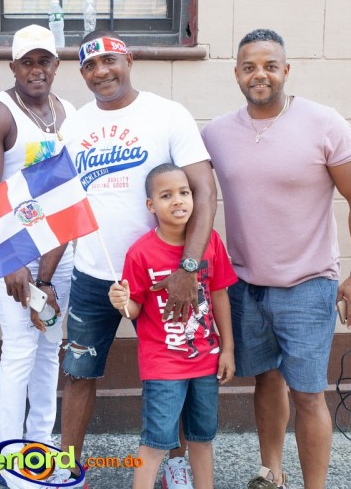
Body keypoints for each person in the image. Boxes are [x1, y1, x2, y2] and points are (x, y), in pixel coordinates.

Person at [201, 29, 351, 489]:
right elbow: (187, 190)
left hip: (308, 284)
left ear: (286, 69)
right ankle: (271, 473)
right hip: (245, 285)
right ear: (236, 73)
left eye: (269, 66)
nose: (259, 75)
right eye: (249, 67)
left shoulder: (323, 123)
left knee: (307, 393)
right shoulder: (216, 133)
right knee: (265, 380)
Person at [59, 30, 218, 487]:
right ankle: (69, 468)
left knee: (179, 370)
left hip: (166, 276)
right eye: (90, 65)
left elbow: (205, 192)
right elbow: (62, 204)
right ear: (82, 74)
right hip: (96, 274)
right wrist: (46, 277)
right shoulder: (74, 126)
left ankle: (176, 464)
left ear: (128, 60)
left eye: (109, 60)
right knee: (79, 372)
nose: (101, 72)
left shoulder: (167, 114)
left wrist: (189, 268)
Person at [0, 24, 75, 489]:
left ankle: (39, 445)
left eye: (44, 61)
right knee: (20, 349)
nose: (36, 69)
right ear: (13, 66)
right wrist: (11, 262)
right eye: (27, 62)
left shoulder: (68, 112)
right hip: (13, 252)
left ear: (56, 64)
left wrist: (48, 273)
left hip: (58, 251)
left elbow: (68, 195)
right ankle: (5, 455)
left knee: (49, 346)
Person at [108, 163, 236, 489]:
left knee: (202, 439)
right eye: (166, 196)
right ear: (151, 205)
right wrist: (122, 301)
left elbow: (219, 294)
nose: (178, 200)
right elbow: (134, 310)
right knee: (155, 442)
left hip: (206, 360)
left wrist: (228, 349)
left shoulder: (211, 241)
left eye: (184, 192)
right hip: (163, 364)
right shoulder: (140, 253)